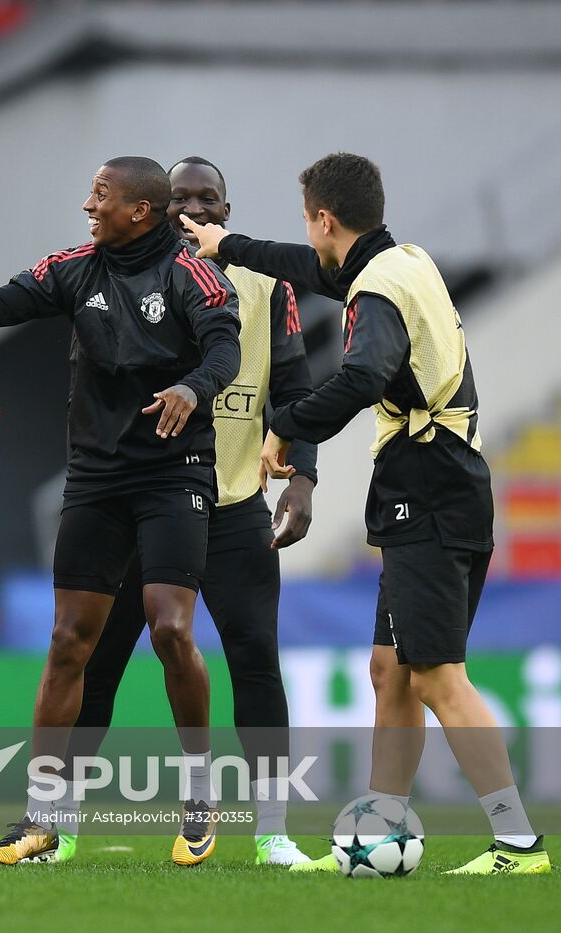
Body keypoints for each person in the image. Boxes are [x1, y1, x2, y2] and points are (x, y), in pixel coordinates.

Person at [0, 156, 241, 865]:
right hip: (96, 476)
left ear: (140, 210)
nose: (88, 205)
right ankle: (41, 817)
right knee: (69, 639)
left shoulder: (192, 275)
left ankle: (199, 792)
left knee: (169, 627)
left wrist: (193, 387)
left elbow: (225, 348)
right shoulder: (73, 269)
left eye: (101, 194)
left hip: (173, 474)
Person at [181, 152, 550, 876]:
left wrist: (286, 426)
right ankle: (379, 834)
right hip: (440, 481)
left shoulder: (376, 289)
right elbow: (308, 268)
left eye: (308, 223)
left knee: (436, 673)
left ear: (324, 219)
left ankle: (517, 842)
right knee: (391, 670)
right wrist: (230, 247)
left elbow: (364, 373)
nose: (307, 237)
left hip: (430, 483)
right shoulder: (404, 261)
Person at [63, 157, 317, 867]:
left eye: (208, 200)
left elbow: (296, 388)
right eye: (179, 199)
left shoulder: (267, 285)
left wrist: (303, 477)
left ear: (227, 211)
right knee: (99, 664)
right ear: (155, 209)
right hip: (143, 500)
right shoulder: (119, 275)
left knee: (255, 662)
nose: (193, 211)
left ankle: (272, 832)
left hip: (233, 504)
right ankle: (60, 824)